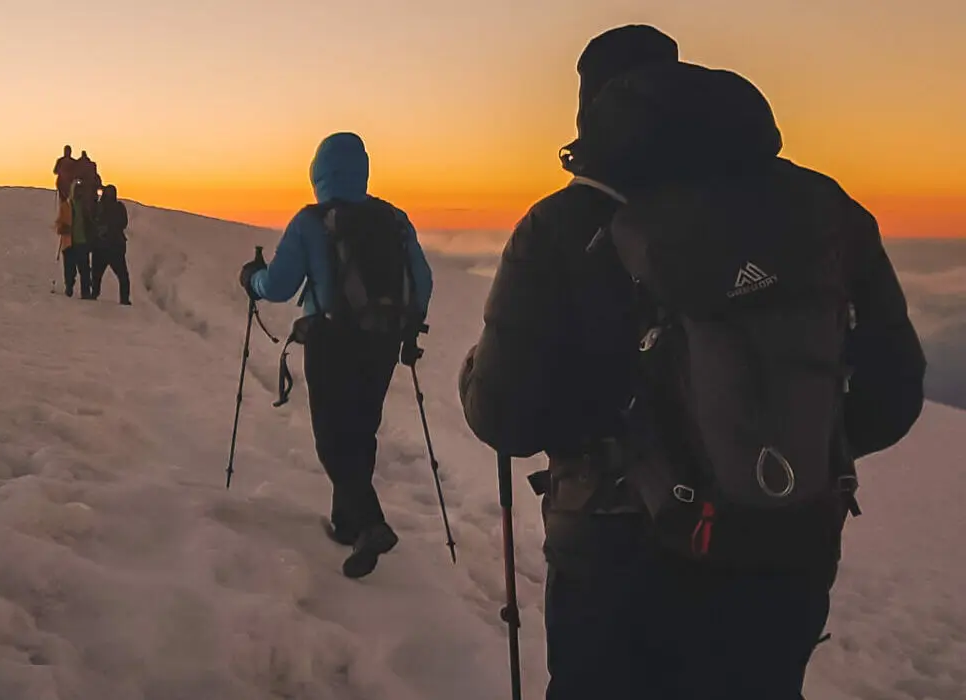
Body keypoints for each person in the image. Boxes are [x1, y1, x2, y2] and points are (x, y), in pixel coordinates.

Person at [458, 26, 926, 699]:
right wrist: (771, 448)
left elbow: (505, 417)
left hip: (613, 567)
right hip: (786, 551)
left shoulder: (562, 224)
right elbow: (893, 394)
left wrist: (476, 375)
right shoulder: (822, 209)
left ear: (594, 109)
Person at [239, 132, 434, 579]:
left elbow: (279, 285)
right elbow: (422, 282)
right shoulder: (395, 219)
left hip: (332, 338)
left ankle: (369, 523)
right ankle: (347, 523)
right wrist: (406, 328)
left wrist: (252, 280)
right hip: (383, 340)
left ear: (318, 172)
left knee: (331, 437)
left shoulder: (311, 221)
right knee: (361, 429)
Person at [92, 184, 132, 305]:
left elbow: (93, 222)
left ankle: (94, 294)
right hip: (113, 246)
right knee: (122, 275)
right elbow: (123, 223)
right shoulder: (118, 207)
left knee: (97, 274)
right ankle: (124, 299)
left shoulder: (100, 207)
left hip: (104, 245)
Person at [70, 180, 100, 299]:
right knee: (77, 268)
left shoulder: (83, 206)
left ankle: (85, 291)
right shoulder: (72, 205)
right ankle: (72, 289)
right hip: (75, 240)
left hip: (82, 241)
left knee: (84, 268)